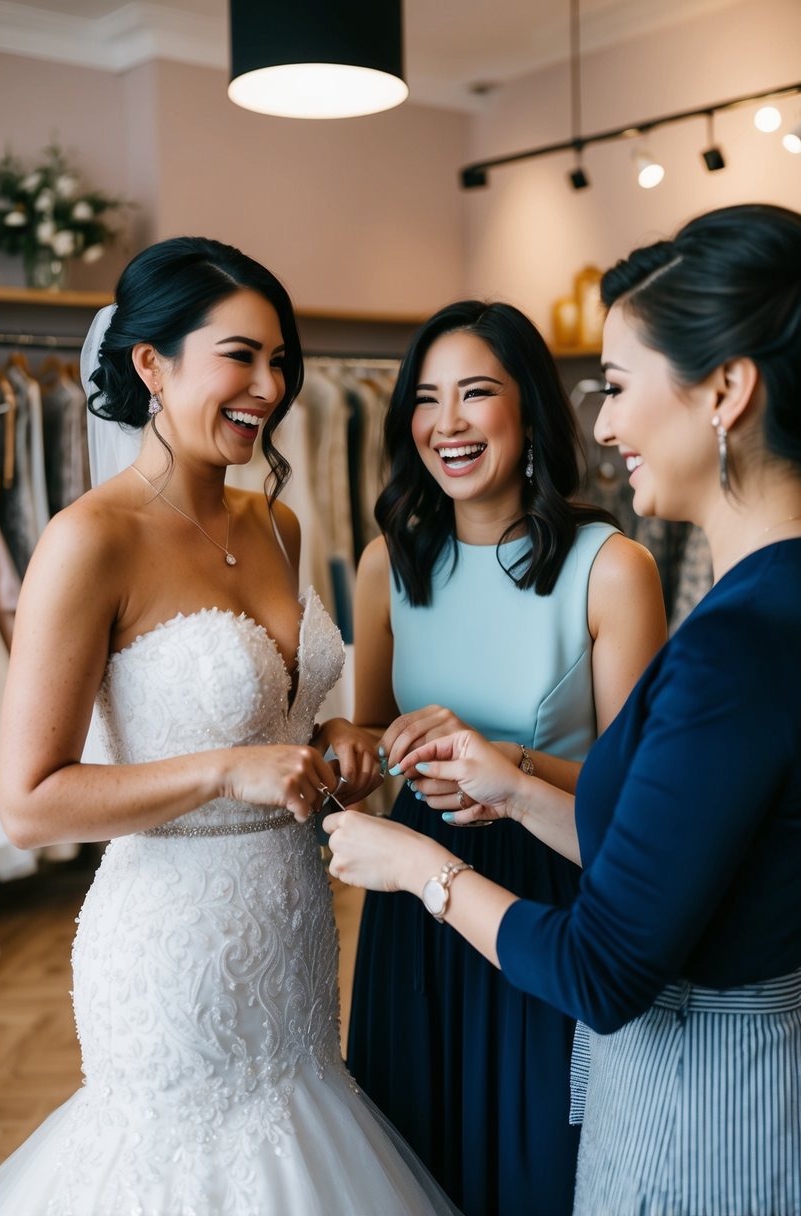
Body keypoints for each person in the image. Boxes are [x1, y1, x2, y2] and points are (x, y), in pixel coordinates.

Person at [326, 203, 801, 1216]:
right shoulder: (757, 608)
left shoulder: (732, 637)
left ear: (724, 389)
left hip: (705, 1110)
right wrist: (504, 776)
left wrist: (421, 866)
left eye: (620, 387)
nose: (606, 424)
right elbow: (667, 839)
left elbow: (604, 964)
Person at [0, 236, 461, 1216]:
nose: (271, 387)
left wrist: (334, 745)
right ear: (150, 362)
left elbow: (287, 717)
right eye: (241, 355)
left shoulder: (274, 522)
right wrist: (224, 771)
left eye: (281, 361)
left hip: (292, 932)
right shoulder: (89, 541)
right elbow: (28, 804)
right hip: (168, 950)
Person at [345, 300, 667, 1215]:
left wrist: (509, 765)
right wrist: (353, 749)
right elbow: (370, 734)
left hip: (541, 899)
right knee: (409, 1149)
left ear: (525, 409)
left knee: (535, 1164)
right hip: (414, 893)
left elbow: (634, 797)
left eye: (475, 394)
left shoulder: (611, 567)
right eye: (426, 398)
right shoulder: (387, 564)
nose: (446, 423)